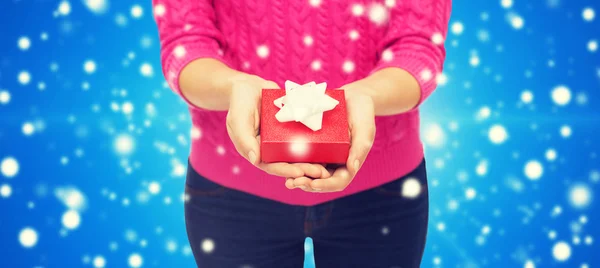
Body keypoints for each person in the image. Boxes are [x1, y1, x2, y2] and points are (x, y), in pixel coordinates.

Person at [153, 0, 451, 267]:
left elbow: (418, 46)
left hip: (382, 192)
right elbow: (186, 42)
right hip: (230, 193)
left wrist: (368, 95)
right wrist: (234, 88)